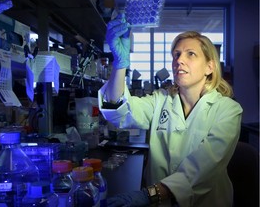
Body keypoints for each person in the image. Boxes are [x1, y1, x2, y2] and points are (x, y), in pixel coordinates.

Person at [98, 13, 243, 207]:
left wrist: (151, 194)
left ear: (210, 67)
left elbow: (204, 166)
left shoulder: (228, 110)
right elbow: (120, 111)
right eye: (176, 54)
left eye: (190, 54)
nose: (179, 60)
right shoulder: (161, 100)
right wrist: (119, 64)